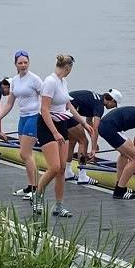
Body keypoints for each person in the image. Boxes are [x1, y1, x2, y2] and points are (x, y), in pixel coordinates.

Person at [35, 54, 79, 217]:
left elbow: (68, 104)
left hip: (62, 124)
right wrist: (54, 132)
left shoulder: (63, 82)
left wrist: (83, 122)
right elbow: (44, 109)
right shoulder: (50, 81)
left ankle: (58, 205)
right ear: (67, 68)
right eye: (70, 70)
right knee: (54, 167)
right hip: (47, 126)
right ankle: (37, 196)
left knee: (61, 169)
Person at [0, 51, 43, 199]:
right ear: (15, 64)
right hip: (22, 118)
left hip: (34, 117)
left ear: (29, 63)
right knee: (26, 155)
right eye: (20, 63)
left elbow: (46, 97)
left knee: (24, 153)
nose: (23, 65)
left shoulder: (35, 79)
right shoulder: (15, 81)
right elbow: (10, 103)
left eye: (25, 62)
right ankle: (30, 186)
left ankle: (36, 188)